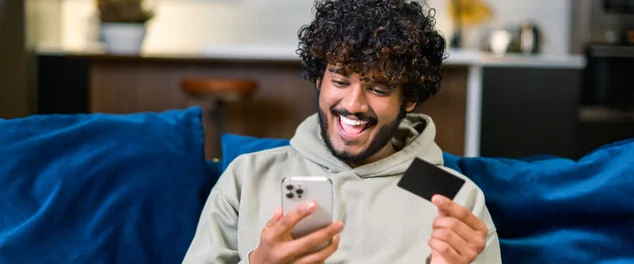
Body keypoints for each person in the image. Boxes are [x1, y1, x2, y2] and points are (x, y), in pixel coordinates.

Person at [183, 0, 501, 263]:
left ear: (410, 99)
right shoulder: (248, 175)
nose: (354, 104)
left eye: (379, 88)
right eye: (339, 80)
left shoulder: (452, 197)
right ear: (319, 80)